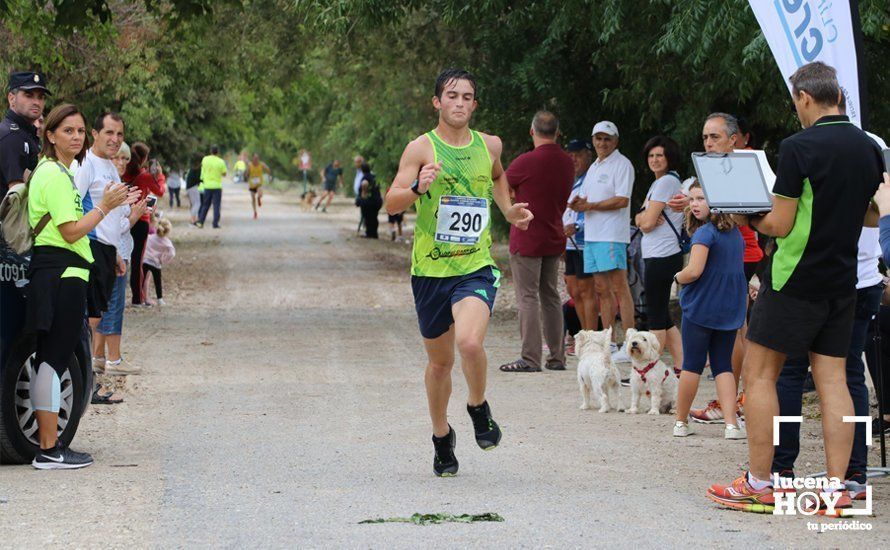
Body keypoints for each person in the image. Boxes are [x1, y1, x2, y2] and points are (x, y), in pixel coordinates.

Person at [708, 62, 884, 510]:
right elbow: (870, 213)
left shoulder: (799, 146)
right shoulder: (869, 147)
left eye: (795, 105)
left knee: (760, 374)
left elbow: (781, 224)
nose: (796, 113)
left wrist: (746, 214)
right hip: (843, 281)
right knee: (835, 381)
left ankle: (761, 482)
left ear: (805, 97)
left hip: (793, 278)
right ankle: (839, 488)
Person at [383, 68, 533, 477]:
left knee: (469, 343)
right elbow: (391, 203)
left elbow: (499, 175)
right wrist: (416, 187)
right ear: (437, 102)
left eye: (468, 97)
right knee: (440, 364)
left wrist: (507, 210)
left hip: (475, 265)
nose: (460, 103)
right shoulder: (421, 149)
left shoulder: (490, 145)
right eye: (452, 96)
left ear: (475, 104)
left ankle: (478, 406)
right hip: (430, 271)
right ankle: (440, 436)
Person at [772, 128, 889, 500]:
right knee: (849, 375)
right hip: (861, 278)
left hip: (818, 278)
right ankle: (855, 469)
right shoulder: (873, 147)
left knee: (789, 372)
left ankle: (781, 465)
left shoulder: (811, 146)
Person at [26, 103, 131, 468]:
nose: (76, 136)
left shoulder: (60, 173)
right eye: (67, 130)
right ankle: (49, 449)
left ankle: (49, 446)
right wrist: (103, 207)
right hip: (60, 273)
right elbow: (70, 232)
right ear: (50, 135)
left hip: (64, 272)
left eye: (80, 130)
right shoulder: (53, 175)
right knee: (53, 360)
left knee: (52, 359)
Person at [671, 113, 764, 424]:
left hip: (741, 252)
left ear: (734, 140)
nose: (709, 143)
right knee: (734, 334)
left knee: (737, 333)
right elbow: (717, 205)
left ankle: (742, 399)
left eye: (715, 137)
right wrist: (691, 202)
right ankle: (735, 403)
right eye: (705, 138)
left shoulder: (744, 164)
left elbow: (753, 209)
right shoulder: (713, 168)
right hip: (728, 251)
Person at [498, 111, 573, 373]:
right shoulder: (567, 162)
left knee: (527, 297)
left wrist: (511, 201)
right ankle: (557, 356)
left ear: (532, 131)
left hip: (527, 234)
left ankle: (530, 357)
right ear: (557, 133)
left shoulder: (525, 162)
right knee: (551, 295)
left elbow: (500, 184)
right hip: (553, 234)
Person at [671, 182, 746, 439]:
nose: (694, 204)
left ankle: (681, 423)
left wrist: (677, 277)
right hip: (728, 309)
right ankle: (731, 424)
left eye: (701, 198)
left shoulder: (704, 234)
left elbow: (694, 271)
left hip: (701, 308)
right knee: (723, 366)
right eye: (691, 199)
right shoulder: (735, 234)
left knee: (691, 364)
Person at [73, 112, 137, 370]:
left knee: (96, 317)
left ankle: (89, 379)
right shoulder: (86, 163)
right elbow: (74, 206)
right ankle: (84, 380)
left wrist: (116, 254)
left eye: (119, 134)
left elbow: (112, 214)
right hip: (90, 246)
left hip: (108, 250)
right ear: (95, 134)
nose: (115, 139)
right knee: (88, 320)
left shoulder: (110, 165)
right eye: (109, 133)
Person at [569, 121, 636, 362]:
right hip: (593, 235)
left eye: (607, 138)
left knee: (619, 288)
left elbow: (622, 200)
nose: (602, 143)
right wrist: (577, 205)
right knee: (601, 290)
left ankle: (631, 343)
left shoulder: (622, 164)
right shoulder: (595, 167)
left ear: (615, 141)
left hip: (611, 235)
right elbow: (586, 197)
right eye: (598, 138)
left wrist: (590, 206)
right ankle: (611, 343)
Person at [1, 71, 48, 373]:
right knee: (9, 337)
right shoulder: (11, 138)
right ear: (11, 97)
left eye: (41, 96)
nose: (36, 101)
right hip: (11, 251)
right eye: (29, 94)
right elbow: (16, 202)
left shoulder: (28, 136)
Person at [95, 141, 145, 379]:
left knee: (106, 307)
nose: (122, 163)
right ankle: (112, 358)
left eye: (126, 159)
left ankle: (100, 357)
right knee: (112, 307)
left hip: (119, 251)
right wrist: (134, 217)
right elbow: (114, 226)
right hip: (114, 252)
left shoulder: (118, 186)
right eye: (118, 158)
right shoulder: (110, 188)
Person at [633, 136, 684, 368]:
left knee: (655, 315)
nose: (654, 160)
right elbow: (639, 218)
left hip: (661, 256)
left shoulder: (665, 183)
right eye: (651, 155)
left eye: (659, 155)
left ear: (669, 158)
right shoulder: (661, 182)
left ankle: (649, 368)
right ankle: (682, 365)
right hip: (659, 254)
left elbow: (647, 222)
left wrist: (644, 217)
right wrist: (644, 217)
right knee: (663, 314)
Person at [562, 138, 598, 337]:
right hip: (569, 243)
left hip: (585, 241)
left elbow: (592, 209)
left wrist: (577, 226)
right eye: (571, 155)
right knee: (574, 291)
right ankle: (585, 335)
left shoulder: (591, 178)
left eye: (578, 155)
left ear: (588, 155)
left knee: (586, 290)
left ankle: (592, 337)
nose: (574, 159)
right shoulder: (572, 180)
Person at [124, 142, 165, 305]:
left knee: (126, 257)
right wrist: (160, 176)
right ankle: (137, 298)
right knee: (137, 261)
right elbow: (160, 191)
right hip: (141, 222)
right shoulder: (145, 176)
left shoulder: (125, 175)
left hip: (126, 220)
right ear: (144, 158)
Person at [142, 218, 175, 306]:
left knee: (142, 280)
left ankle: (141, 297)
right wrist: (164, 260)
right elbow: (172, 253)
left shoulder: (149, 237)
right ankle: (160, 299)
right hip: (156, 264)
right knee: (158, 282)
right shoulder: (166, 242)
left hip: (145, 261)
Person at [196, 145, 226, 228]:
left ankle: (201, 222)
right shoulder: (221, 161)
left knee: (205, 205)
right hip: (217, 186)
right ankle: (215, 223)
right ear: (218, 152)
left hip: (207, 186)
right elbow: (224, 173)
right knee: (216, 205)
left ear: (211, 151)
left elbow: (203, 169)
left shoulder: (205, 159)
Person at [357, 162, 382, 238]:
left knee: (368, 218)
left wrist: (363, 195)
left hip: (369, 201)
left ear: (362, 170)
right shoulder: (374, 176)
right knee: (374, 217)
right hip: (377, 200)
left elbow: (364, 184)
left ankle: (369, 233)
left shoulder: (365, 178)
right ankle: (374, 234)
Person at [246, 153, 271, 219]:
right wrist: (247, 176)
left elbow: (268, 168)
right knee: (253, 198)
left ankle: (259, 198)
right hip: (252, 184)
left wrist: (269, 175)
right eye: (255, 158)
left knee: (260, 194)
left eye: (257, 158)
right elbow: (247, 173)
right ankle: (255, 212)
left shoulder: (261, 164)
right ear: (252, 159)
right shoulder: (250, 165)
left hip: (259, 183)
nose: (256, 159)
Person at [185, 155, 202, 224]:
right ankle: (192, 219)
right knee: (197, 203)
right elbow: (198, 179)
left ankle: (194, 219)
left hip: (189, 188)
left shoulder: (192, 169)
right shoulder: (197, 169)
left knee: (194, 204)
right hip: (193, 187)